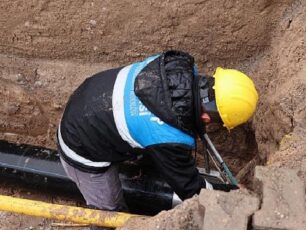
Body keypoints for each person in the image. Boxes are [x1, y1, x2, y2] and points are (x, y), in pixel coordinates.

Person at [56, 50, 258, 228]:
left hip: (88, 99)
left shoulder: (178, 68)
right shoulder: (168, 136)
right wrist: (229, 192)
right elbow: (192, 190)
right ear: (207, 117)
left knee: (148, 147)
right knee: (109, 213)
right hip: (80, 146)